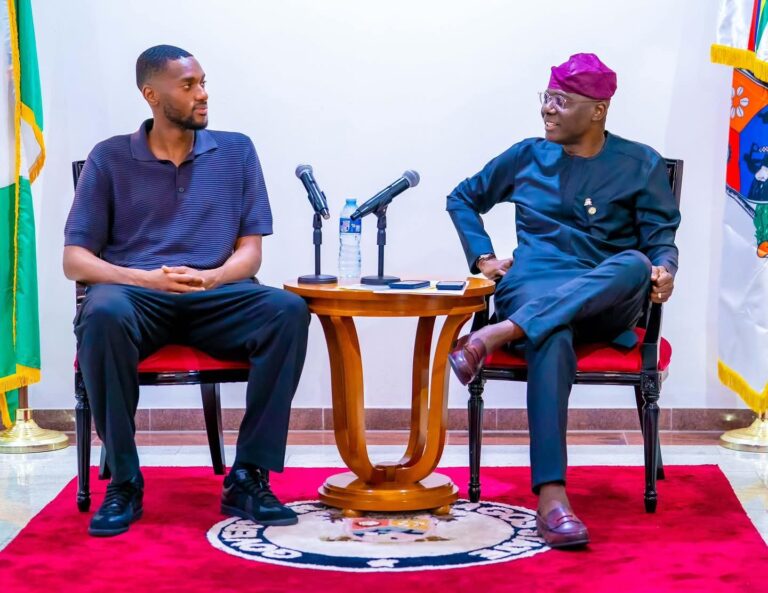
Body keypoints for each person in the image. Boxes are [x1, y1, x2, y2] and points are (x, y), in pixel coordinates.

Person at [64, 45, 310, 537]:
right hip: (138, 296)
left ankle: (248, 476)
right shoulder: (110, 157)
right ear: (151, 94)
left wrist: (215, 277)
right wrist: (145, 279)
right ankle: (125, 482)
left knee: (287, 310)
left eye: (203, 82)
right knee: (102, 312)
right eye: (189, 85)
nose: (203, 94)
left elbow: (250, 252)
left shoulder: (236, 150)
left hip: (213, 293)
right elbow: (75, 261)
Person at [446, 53, 680, 548]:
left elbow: (660, 240)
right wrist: (483, 257)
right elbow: (462, 197)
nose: (547, 111)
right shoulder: (527, 155)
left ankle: (499, 333)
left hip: (604, 296)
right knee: (550, 333)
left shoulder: (640, 163)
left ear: (598, 110)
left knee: (634, 263)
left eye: (561, 101)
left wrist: (666, 270)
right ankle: (552, 499)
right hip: (533, 285)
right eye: (546, 99)